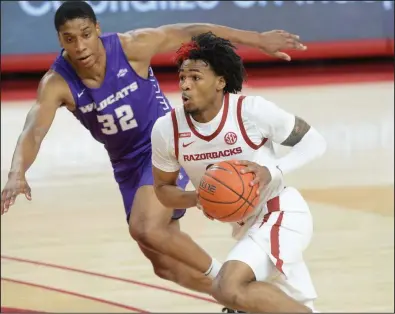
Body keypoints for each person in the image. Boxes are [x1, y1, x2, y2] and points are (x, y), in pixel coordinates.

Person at [0, 0, 308, 303]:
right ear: (60, 40)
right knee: (165, 266)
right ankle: (250, 301)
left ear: (97, 29)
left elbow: (192, 30)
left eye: (85, 34)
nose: (80, 46)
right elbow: (33, 131)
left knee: (145, 227)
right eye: (70, 39)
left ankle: (227, 281)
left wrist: (257, 40)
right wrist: (17, 173)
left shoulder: (132, 46)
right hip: (125, 165)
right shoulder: (56, 83)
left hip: (165, 144)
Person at [150, 32, 327, 313]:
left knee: (227, 287)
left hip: (281, 212)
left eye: (195, 78)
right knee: (284, 304)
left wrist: (272, 170)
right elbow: (163, 191)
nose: (185, 85)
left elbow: (315, 141)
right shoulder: (166, 129)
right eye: (182, 77)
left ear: (221, 82)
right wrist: (197, 198)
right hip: (246, 228)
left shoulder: (252, 112)